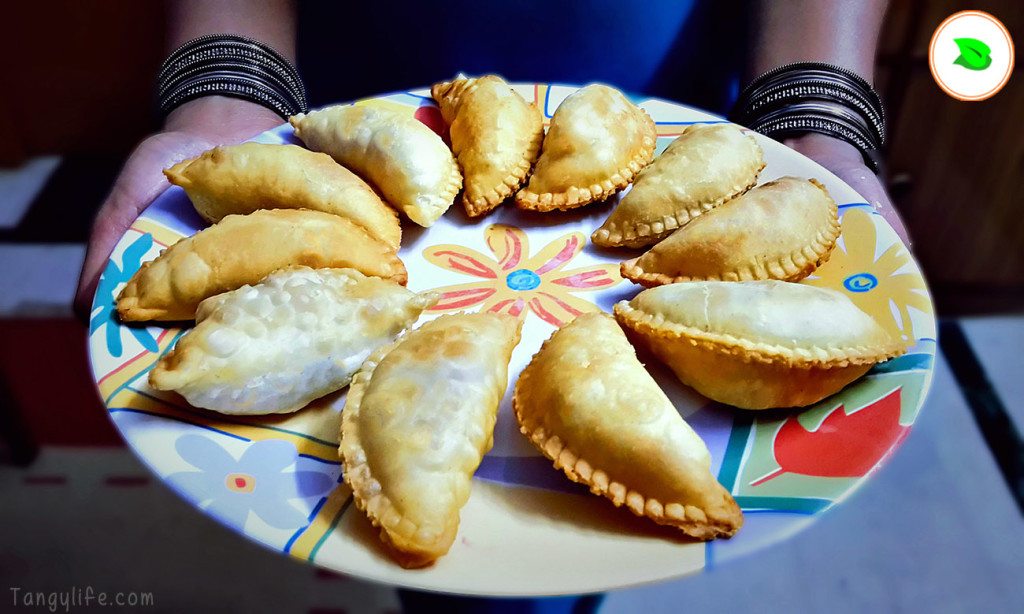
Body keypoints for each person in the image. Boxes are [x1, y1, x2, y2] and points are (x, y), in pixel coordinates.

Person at [71, 1, 907, 611]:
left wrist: (816, 113)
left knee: (558, 553)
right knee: (453, 553)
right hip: (366, 95)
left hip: (664, 96)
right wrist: (226, 90)